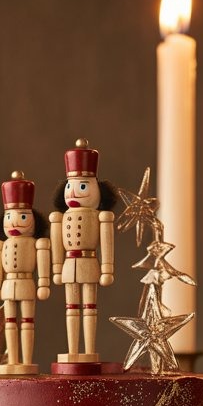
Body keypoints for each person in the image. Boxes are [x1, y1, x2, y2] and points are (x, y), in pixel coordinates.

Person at [50, 141, 118, 362]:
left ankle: (88, 350)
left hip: (90, 263)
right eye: (70, 186)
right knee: (71, 308)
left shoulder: (101, 217)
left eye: (82, 186)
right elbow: (58, 244)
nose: (74, 192)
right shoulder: (61, 218)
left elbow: (107, 243)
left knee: (89, 308)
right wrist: (56, 268)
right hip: (70, 265)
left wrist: (107, 268)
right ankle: (72, 351)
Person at [0, 172, 50, 374]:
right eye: (9, 216)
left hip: (26, 284)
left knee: (26, 323)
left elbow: (42, 265)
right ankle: (13, 360)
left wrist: (43, 283)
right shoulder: (0, 245)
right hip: (8, 285)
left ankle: (25, 360)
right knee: (9, 324)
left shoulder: (37, 243)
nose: (14, 222)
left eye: (22, 216)